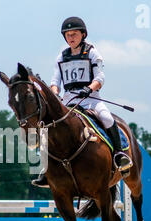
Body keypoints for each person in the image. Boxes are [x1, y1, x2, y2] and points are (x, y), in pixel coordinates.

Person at [32, 16, 132, 188]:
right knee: (48, 128)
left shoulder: (92, 53)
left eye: (74, 34)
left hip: (91, 99)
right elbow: (55, 82)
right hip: (69, 101)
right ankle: (47, 169)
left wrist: (89, 88)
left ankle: (119, 155)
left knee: (107, 118)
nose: (71, 37)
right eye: (68, 35)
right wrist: (55, 94)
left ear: (83, 34)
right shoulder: (61, 57)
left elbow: (100, 77)